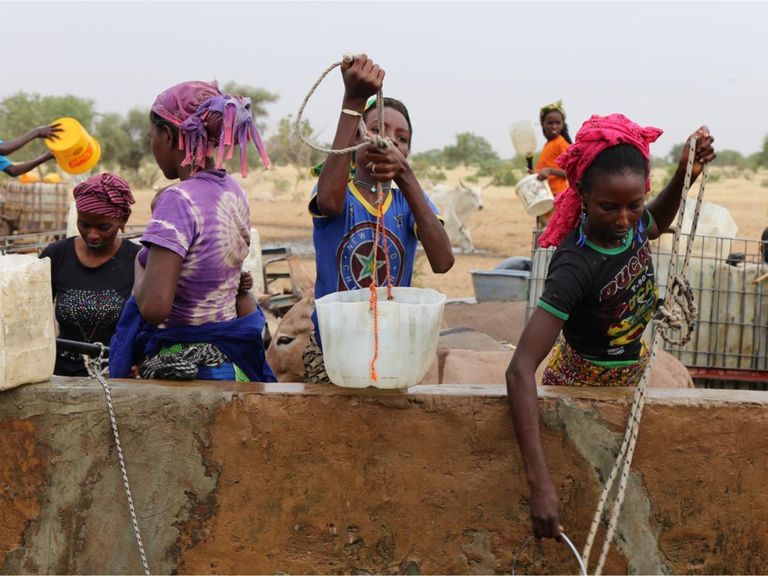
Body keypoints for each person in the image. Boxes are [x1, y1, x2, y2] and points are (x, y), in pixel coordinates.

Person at [505, 114, 716, 539]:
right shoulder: (575, 266)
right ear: (581, 193)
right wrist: (539, 483)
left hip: (628, 380)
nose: (624, 219)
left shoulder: (633, 223)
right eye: (609, 207)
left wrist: (682, 176)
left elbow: (653, 221)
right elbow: (519, 369)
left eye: (633, 204)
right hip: (578, 388)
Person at [109, 80, 275, 382]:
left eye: (152, 137)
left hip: (184, 370)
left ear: (168, 136)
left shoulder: (177, 200)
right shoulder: (235, 192)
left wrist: (140, 261)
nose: (152, 146)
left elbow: (154, 307)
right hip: (230, 366)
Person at [303, 54, 455, 383]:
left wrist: (405, 176)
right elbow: (328, 203)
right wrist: (352, 102)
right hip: (333, 348)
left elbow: (443, 261)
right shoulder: (337, 190)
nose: (390, 141)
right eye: (377, 130)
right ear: (356, 137)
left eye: (402, 139)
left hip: (393, 350)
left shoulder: (408, 200)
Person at [40, 172, 139, 376]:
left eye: (104, 227)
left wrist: (137, 362)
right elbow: (34, 318)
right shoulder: (56, 256)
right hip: (59, 376)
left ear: (123, 220)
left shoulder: (136, 259)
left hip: (115, 376)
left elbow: (146, 323)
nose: (92, 235)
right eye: (84, 224)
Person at [530, 101, 571, 226]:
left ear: (563, 125)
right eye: (550, 123)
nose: (554, 126)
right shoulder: (548, 144)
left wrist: (550, 171)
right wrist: (535, 173)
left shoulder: (561, 143)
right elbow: (545, 169)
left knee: (552, 238)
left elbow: (570, 172)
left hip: (557, 198)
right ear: (542, 124)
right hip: (544, 197)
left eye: (557, 123)